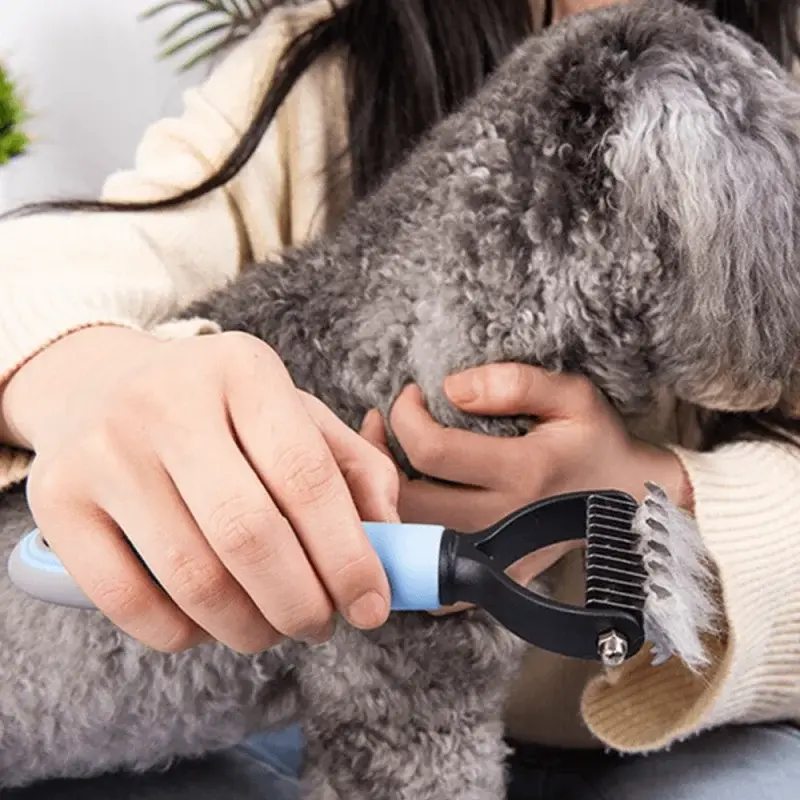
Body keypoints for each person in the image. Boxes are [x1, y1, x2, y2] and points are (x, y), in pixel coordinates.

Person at [1, 0, 799, 798]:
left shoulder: (753, 103)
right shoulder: (330, 69)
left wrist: (655, 495)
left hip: (716, 730)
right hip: (315, 721)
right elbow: (80, 254)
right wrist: (79, 370)